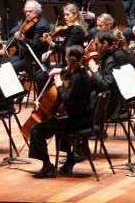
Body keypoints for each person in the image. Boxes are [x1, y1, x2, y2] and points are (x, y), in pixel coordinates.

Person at [29, 45, 93, 178]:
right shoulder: (83, 72)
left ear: (69, 59)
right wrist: (61, 71)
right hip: (86, 118)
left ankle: (47, 164)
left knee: (36, 128)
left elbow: (67, 100)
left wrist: (58, 84)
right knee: (57, 121)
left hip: (77, 122)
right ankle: (69, 160)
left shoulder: (76, 78)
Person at [9, 0, 51, 75]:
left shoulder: (42, 25)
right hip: (23, 54)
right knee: (5, 65)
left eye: (30, 11)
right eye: (26, 11)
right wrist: (6, 45)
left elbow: (35, 46)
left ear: (37, 11)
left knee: (10, 69)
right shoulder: (29, 21)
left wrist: (23, 39)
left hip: (34, 58)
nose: (27, 13)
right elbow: (16, 36)